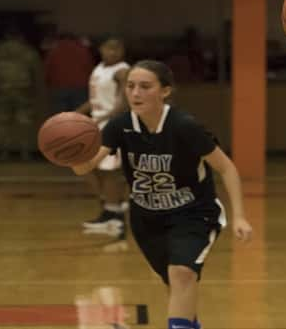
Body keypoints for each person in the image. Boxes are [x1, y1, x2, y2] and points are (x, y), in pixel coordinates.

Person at [70, 60, 252, 329]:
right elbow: (85, 166)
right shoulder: (120, 126)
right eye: (130, 86)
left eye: (145, 87)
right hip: (147, 219)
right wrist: (70, 151)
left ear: (165, 91)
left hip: (193, 213)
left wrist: (240, 217)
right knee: (175, 283)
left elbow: (227, 168)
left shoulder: (184, 126)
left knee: (181, 273)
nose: (135, 93)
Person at [75, 39, 130, 237]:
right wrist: (75, 114)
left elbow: (126, 99)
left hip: (112, 125)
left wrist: (110, 118)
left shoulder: (122, 71)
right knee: (85, 166)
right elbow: (94, 100)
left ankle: (113, 216)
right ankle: (112, 205)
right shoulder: (98, 69)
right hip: (97, 122)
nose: (114, 52)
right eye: (110, 47)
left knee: (108, 171)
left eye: (118, 48)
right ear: (101, 49)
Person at [0, 25, 43, 161]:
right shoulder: (28, 51)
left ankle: (4, 152)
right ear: (20, 37)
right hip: (24, 91)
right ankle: (25, 152)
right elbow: (37, 72)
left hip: (0, 91)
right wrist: (36, 88)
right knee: (25, 122)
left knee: (2, 123)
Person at [44, 32, 95, 115]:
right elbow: (90, 68)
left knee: (60, 116)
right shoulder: (83, 50)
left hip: (58, 87)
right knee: (78, 116)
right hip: (80, 88)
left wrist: (48, 84)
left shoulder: (53, 51)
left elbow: (48, 69)